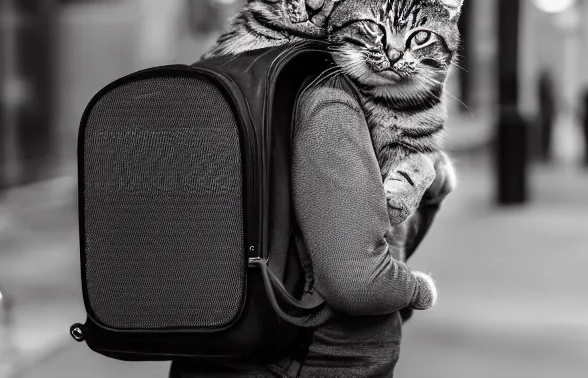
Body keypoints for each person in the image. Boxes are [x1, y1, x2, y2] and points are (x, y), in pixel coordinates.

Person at [170, 74, 443, 377]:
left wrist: (428, 199)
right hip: (305, 362)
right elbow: (359, 283)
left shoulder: (228, 75)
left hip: (216, 347)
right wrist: (418, 291)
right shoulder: (329, 101)